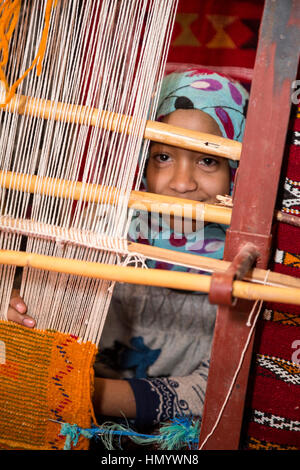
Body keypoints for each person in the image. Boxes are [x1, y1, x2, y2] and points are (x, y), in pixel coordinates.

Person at [7, 68, 248, 431]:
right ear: (141, 161)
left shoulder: (247, 263)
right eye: (163, 157)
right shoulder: (104, 227)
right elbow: (34, 300)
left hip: (171, 437)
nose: (181, 184)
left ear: (236, 168)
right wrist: (15, 306)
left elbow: (215, 391)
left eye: (208, 160)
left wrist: (78, 393)